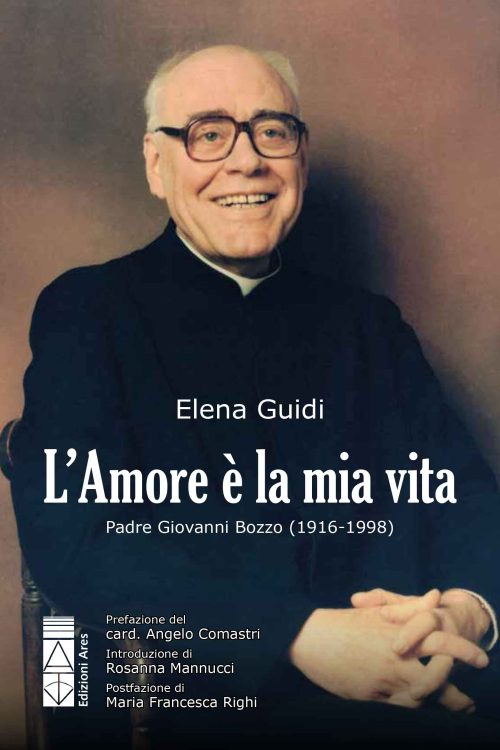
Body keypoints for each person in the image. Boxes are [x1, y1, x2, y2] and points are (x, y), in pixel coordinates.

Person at [6, 44, 500, 747]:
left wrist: (465, 613)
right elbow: (73, 544)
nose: (247, 161)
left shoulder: (372, 328)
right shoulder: (89, 313)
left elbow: (468, 500)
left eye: (272, 130)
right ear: (156, 164)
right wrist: (297, 634)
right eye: (208, 133)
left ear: (301, 157)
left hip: (422, 688)